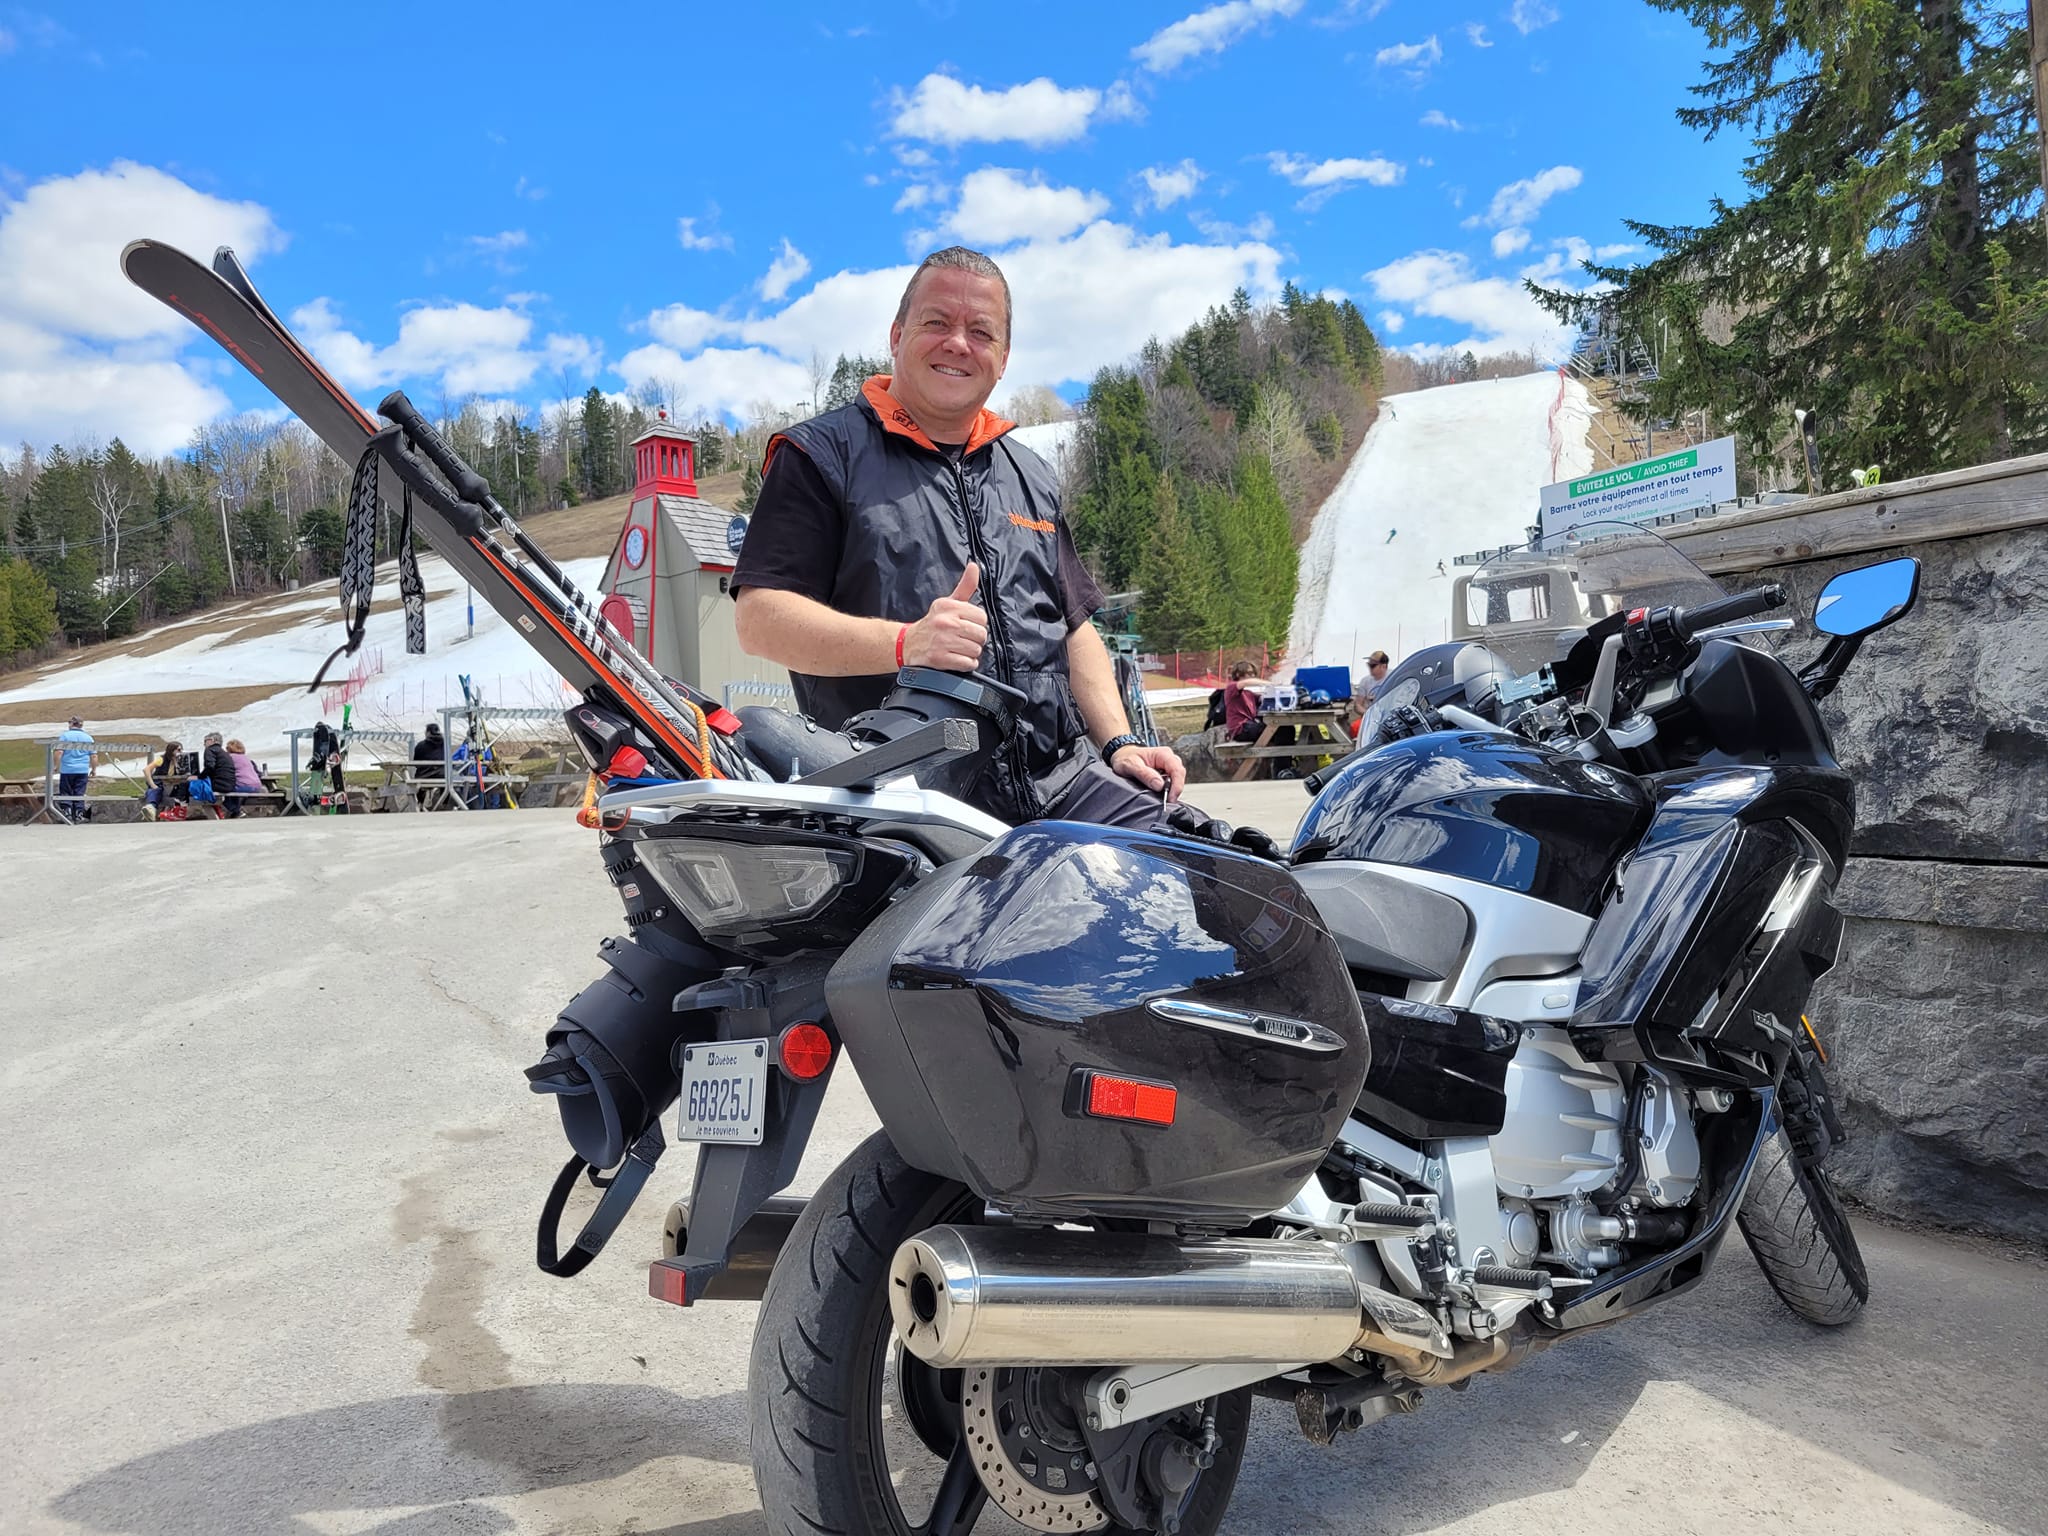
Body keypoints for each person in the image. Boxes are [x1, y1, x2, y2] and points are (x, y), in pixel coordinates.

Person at [729, 244, 1189, 831]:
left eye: (981, 331)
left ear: (1003, 357)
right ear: (896, 335)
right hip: (909, 800)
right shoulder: (821, 456)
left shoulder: (1031, 477)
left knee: (1217, 872)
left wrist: (1120, 743)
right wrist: (906, 644)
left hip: (1064, 785)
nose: (958, 343)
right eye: (937, 322)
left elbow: (1073, 629)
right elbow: (760, 619)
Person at [53, 716, 94, 823]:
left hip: (67, 769)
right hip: (82, 770)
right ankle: (79, 814)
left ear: (72, 724)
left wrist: (56, 765)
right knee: (79, 792)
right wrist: (94, 769)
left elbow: (59, 752)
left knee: (66, 792)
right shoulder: (88, 738)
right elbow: (94, 756)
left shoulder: (65, 736)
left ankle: (67, 812)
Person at [1222, 662, 1266, 744]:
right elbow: (1245, 682)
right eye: (1249, 673)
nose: (1253, 676)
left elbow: (1263, 698)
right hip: (1240, 729)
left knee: (1286, 729)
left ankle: (1280, 755)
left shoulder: (1248, 693)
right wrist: (1269, 684)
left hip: (1249, 726)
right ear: (1238, 674)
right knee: (1276, 731)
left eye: (1253, 673)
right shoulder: (1231, 687)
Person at [197, 732, 237, 819]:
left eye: (205, 741)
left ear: (212, 740)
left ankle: (214, 818)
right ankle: (226, 812)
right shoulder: (224, 752)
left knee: (197, 792)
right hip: (230, 785)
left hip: (219, 785)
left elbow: (210, 767)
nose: (204, 744)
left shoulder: (210, 750)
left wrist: (199, 777)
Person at [411, 721, 446, 808]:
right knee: (448, 780)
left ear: (428, 732)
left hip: (424, 776)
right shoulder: (445, 745)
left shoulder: (420, 745)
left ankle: (420, 804)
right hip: (442, 776)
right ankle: (444, 804)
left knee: (420, 783)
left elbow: (415, 763)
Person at [227, 738, 264, 816]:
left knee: (226, 789)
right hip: (257, 787)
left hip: (244, 787)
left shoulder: (229, 758)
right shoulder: (247, 758)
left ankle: (236, 811)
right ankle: (236, 811)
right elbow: (259, 773)